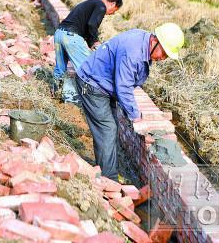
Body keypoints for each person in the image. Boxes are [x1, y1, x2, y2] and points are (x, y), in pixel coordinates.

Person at [75, 23, 184, 182]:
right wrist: (136, 117)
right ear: (156, 41)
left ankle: (107, 169)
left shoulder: (143, 42)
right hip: (92, 84)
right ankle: (108, 182)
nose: (163, 58)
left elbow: (129, 79)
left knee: (111, 128)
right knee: (107, 130)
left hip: (103, 85)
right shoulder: (133, 52)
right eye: (164, 53)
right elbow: (123, 86)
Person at [53, 0, 123, 83]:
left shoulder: (92, 3)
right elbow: (92, 24)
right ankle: (84, 95)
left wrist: (90, 43)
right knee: (87, 69)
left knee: (60, 68)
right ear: (112, 4)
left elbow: (86, 24)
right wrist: (95, 41)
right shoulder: (101, 6)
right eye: (114, 10)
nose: (112, 13)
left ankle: (55, 92)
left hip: (59, 33)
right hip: (71, 37)